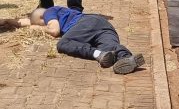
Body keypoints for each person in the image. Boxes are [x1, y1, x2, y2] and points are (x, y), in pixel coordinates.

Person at [0, 6, 145, 75]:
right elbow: (27, 22)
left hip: (84, 24)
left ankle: (97, 54)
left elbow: (54, 31)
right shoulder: (60, 12)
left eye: (41, 23)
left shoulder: (49, 12)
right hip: (103, 24)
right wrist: (8, 21)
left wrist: (38, 29)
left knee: (63, 43)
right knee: (111, 47)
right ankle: (127, 59)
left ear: (42, 18)